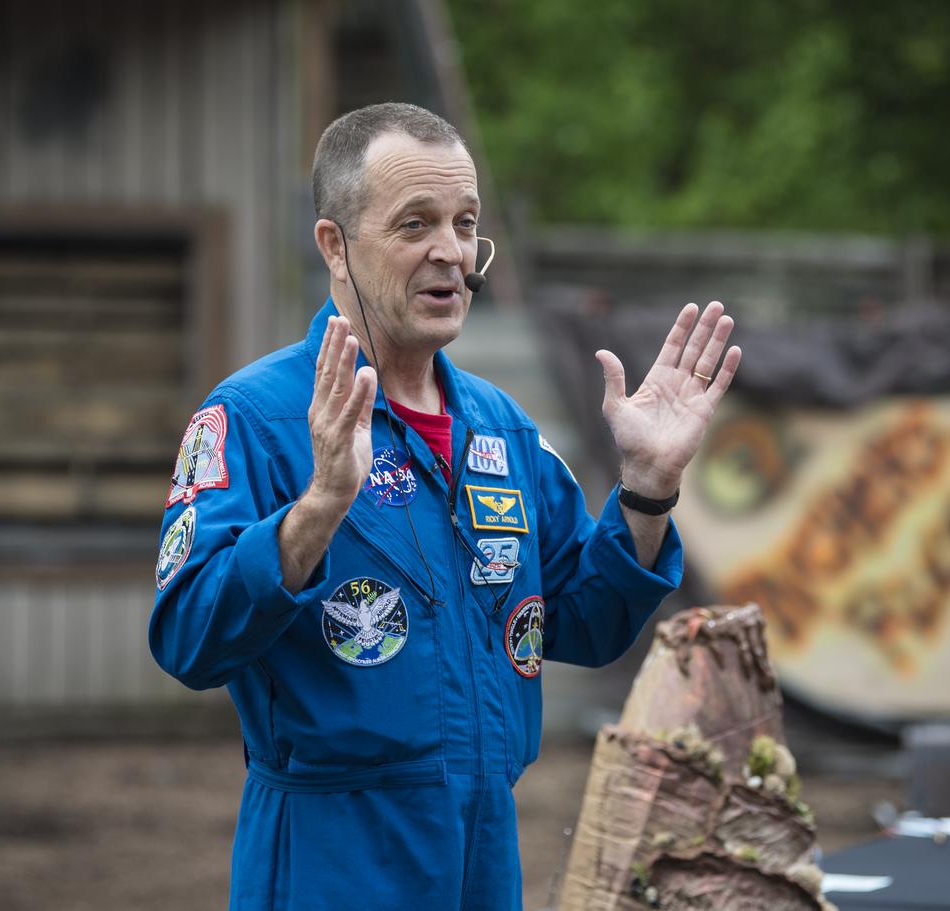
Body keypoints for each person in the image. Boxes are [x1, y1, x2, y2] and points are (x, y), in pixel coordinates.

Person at [149, 102, 741, 910]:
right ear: (334, 244)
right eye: (415, 224)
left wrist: (645, 488)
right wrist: (320, 505)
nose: (452, 252)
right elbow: (187, 638)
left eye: (466, 224)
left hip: (486, 851)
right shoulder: (255, 417)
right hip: (331, 856)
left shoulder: (501, 429)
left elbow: (585, 622)